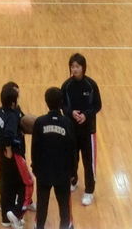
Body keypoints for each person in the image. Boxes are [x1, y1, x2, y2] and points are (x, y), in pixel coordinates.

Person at [0, 81, 32, 229]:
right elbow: (8, 135)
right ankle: (16, 214)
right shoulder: (12, 115)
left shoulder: (0, 111)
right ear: (12, 101)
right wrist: (9, 148)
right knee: (24, 182)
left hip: (2, 153)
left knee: (6, 181)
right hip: (12, 154)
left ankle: (5, 215)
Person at [30, 86, 77, 229]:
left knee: (42, 205)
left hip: (44, 172)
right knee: (64, 207)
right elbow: (72, 150)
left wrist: (35, 168)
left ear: (46, 102)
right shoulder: (67, 123)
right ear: (61, 102)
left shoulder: (40, 122)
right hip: (62, 173)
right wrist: (73, 171)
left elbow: (35, 148)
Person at [61, 53, 101, 206]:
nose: (74, 69)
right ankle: (73, 181)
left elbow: (97, 105)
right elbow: (63, 105)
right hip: (71, 129)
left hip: (88, 130)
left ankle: (89, 191)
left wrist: (86, 115)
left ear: (83, 68)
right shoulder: (66, 86)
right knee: (72, 158)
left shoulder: (91, 85)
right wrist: (71, 112)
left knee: (88, 161)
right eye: (72, 66)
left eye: (77, 66)